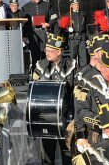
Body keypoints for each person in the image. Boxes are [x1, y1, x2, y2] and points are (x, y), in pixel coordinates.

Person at [74, 42, 109, 148]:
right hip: (100, 137)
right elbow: (81, 111)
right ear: (102, 67)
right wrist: (104, 122)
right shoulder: (88, 82)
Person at [33, 33, 77, 165]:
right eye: (46, 50)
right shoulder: (40, 65)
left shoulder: (71, 65)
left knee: (67, 154)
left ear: (59, 52)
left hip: (66, 116)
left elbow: (76, 92)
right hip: (47, 117)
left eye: (50, 50)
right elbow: (34, 88)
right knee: (47, 156)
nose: (47, 53)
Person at [22, 0, 57, 69]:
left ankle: (46, 72)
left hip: (44, 32)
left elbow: (54, 17)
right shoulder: (25, 8)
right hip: (32, 34)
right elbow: (24, 24)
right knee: (35, 55)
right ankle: (35, 74)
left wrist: (48, 24)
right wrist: (24, 36)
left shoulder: (46, 5)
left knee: (45, 54)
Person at [67, 0, 87, 67]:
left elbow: (86, 26)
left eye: (78, 4)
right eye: (75, 5)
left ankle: (83, 73)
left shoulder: (83, 14)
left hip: (82, 38)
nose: (77, 6)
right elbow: (64, 26)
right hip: (73, 38)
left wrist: (87, 38)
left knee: (83, 57)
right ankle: (72, 72)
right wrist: (68, 29)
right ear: (71, 6)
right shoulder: (68, 14)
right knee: (73, 56)